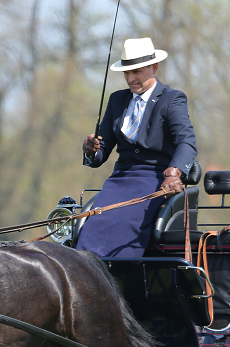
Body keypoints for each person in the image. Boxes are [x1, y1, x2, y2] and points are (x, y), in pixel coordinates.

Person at [76, 37, 197, 257]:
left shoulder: (171, 99)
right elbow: (102, 152)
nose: (130, 79)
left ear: (154, 67)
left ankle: (119, 277)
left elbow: (186, 142)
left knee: (125, 224)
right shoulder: (117, 100)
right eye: (126, 73)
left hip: (155, 179)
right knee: (93, 225)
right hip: (120, 179)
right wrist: (90, 149)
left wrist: (173, 173)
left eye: (137, 72)